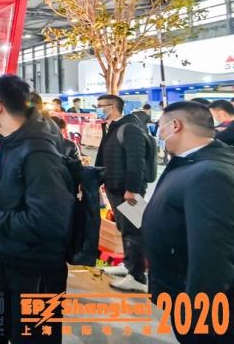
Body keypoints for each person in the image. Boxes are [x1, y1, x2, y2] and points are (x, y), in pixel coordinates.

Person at [0, 74, 74, 343]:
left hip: (36, 270)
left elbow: (50, 221)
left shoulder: (38, 152)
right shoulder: (12, 143)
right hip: (13, 260)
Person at [143, 101, 234, 343]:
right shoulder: (191, 163)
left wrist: (197, 313)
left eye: (160, 127)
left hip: (202, 309)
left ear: (175, 125)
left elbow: (213, 254)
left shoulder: (210, 174)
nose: (159, 134)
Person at [94, 94, 149, 292]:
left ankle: (137, 277)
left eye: (100, 106)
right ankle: (129, 264)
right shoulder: (112, 127)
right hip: (115, 187)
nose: (98, 109)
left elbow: (136, 161)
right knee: (124, 229)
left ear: (113, 106)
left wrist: (132, 189)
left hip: (128, 191)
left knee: (134, 231)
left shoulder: (129, 128)